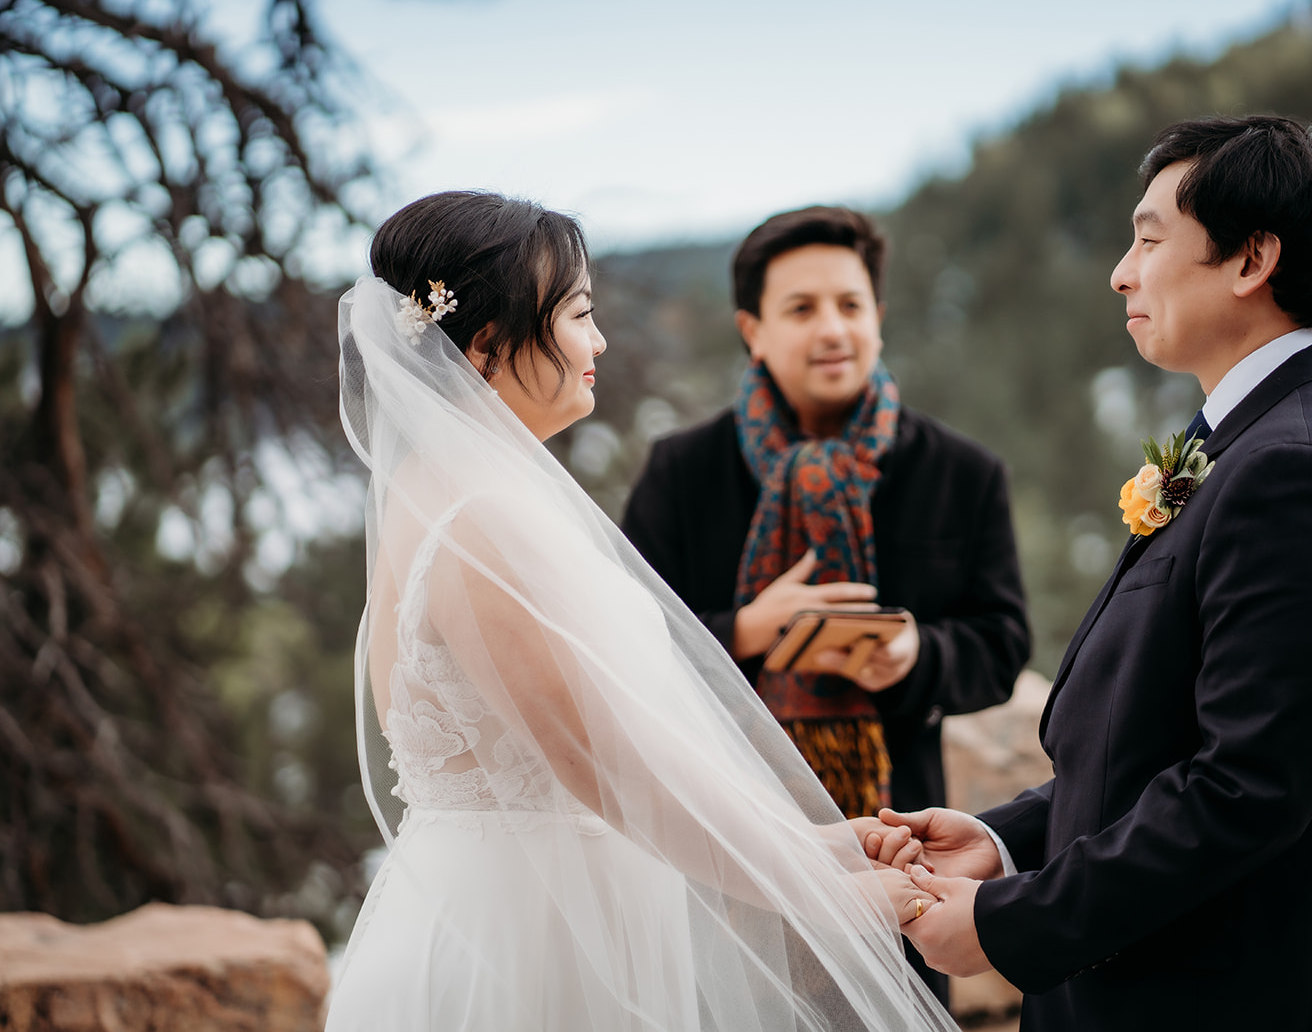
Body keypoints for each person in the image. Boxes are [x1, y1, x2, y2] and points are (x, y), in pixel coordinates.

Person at [323, 191, 956, 1031]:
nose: (600, 341)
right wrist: (824, 892)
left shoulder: (456, 494)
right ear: (484, 346)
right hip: (525, 949)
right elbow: (610, 764)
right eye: (580, 315)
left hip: (531, 907)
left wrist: (824, 845)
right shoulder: (482, 520)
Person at [862, 116, 1312, 1032]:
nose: (1122, 271)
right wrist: (1003, 842)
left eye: (1150, 238)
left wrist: (1012, 922)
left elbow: (1244, 788)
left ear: (1252, 260)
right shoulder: (1246, 439)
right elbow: (1154, 742)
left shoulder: (1302, 466)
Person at [621, 205, 1031, 821]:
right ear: (752, 330)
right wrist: (749, 630)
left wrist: (916, 653)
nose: (833, 330)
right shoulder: (681, 472)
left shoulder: (962, 472)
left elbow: (1003, 642)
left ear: (879, 319)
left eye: (850, 305)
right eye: (802, 309)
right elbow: (625, 635)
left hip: (897, 827)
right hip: (723, 825)